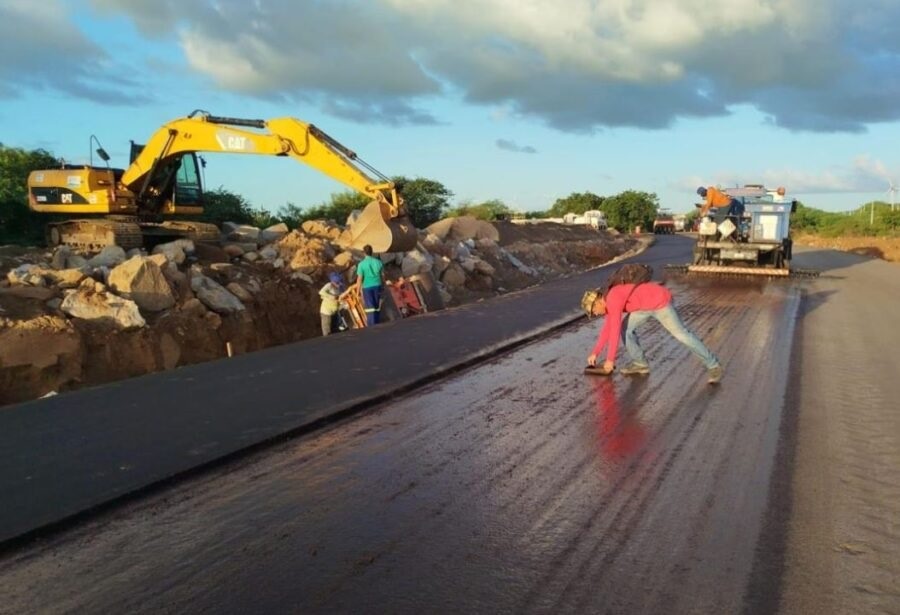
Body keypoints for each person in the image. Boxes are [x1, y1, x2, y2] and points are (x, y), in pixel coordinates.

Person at [582, 282, 723, 384]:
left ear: (598, 302)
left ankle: (713, 365)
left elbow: (613, 332)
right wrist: (595, 352)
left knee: (682, 335)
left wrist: (610, 360)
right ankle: (640, 364)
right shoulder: (608, 300)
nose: (595, 314)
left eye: (593, 311)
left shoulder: (612, 299)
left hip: (660, 302)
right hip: (643, 306)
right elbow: (608, 328)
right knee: (626, 329)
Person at [355, 244, 385, 326]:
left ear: (364, 253)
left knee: (370, 307)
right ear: (372, 252)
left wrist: (358, 291)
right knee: (376, 305)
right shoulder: (378, 262)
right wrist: (383, 285)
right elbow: (382, 275)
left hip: (367, 287)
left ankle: (372, 324)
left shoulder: (361, 264)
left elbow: (359, 279)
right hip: (377, 285)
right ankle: (377, 322)